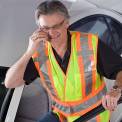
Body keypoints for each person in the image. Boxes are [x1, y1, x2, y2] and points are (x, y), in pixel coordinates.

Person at [4, 0, 122, 122]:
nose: (51, 32)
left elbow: (120, 70)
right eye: (46, 28)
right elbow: (10, 83)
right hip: (61, 116)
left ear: (66, 22)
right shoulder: (39, 53)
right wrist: (29, 52)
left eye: (56, 26)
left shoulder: (90, 44)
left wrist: (116, 90)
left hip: (93, 117)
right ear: (39, 28)